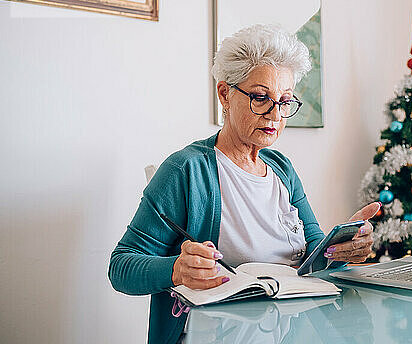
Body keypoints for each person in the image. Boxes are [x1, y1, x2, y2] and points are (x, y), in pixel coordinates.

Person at [108, 24, 380, 344]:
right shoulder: (186, 170)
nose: (275, 115)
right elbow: (122, 267)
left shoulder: (282, 170)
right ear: (225, 93)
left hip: (293, 332)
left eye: (285, 101)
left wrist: (343, 247)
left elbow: (314, 260)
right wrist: (176, 270)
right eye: (261, 98)